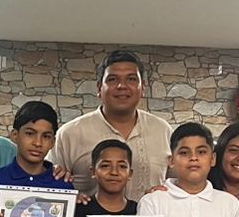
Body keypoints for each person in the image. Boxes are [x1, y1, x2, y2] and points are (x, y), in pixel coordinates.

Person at [50, 50, 173, 199]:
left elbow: (179, 184)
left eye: (131, 79)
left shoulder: (163, 131)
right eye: (113, 79)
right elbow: (49, 187)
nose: (122, 86)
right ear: (99, 88)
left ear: (143, 88)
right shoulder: (69, 134)